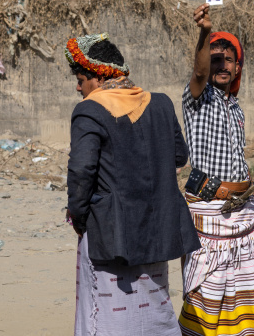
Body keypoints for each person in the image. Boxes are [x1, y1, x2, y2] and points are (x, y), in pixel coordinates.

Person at [64, 32, 201, 336]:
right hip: (157, 230)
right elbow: (179, 156)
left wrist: (79, 216)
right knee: (153, 306)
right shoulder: (161, 104)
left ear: (98, 77)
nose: (78, 86)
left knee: (109, 313)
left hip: (111, 234)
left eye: (81, 77)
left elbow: (81, 172)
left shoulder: (89, 110)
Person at [178, 4, 254, 335]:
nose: (221, 64)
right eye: (215, 58)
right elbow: (200, 73)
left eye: (227, 59)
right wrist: (205, 32)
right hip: (209, 210)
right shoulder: (197, 98)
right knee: (206, 300)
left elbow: (236, 157)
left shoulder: (236, 107)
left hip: (242, 212)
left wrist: (252, 201)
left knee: (245, 299)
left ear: (237, 67)